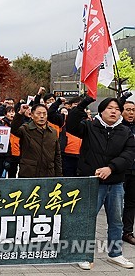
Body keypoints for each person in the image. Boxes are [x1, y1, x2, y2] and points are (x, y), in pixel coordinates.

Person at [67, 96, 135, 270]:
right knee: (87, 220)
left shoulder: (125, 132)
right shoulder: (89, 126)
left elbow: (128, 155)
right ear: (102, 110)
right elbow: (72, 124)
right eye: (110, 108)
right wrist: (83, 103)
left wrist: (111, 168)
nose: (114, 111)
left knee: (116, 221)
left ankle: (115, 254)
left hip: (116, 183)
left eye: (117, 109)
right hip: (92, 182)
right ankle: (83, 255)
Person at [11, 104, 62, 178]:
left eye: (44, 114)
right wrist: (20, 113)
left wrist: (59, 176)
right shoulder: (25, 129)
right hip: (29, 173)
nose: (42, 116)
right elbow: (14, 129)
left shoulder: (53, 132)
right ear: (32, 115)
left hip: (48, 173)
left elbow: (57, 155)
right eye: (38, 113)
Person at [121, 101, 135, 246]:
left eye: (133, 110)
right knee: (117, 202)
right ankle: (116, 229)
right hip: (121, 170)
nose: (131, 113)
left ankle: (128, 232)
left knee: (131, 202)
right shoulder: (118, 128)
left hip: (134, 170)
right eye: (128, 110)